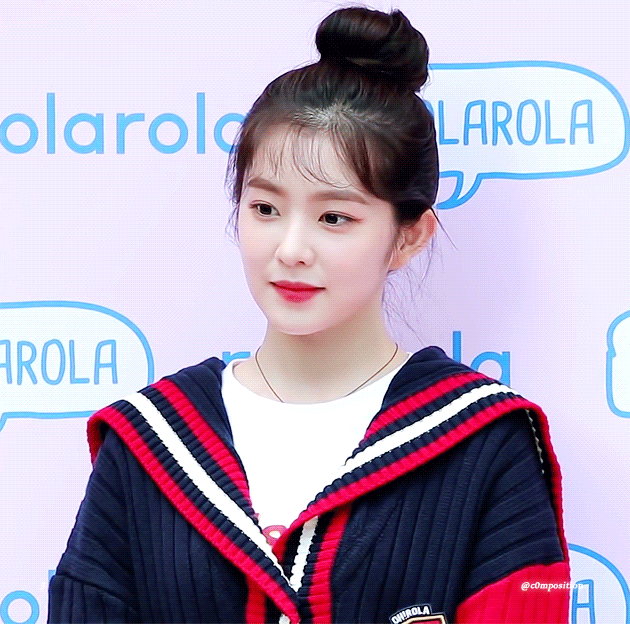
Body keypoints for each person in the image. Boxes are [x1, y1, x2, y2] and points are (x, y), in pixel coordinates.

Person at [48, 6, 570, 623]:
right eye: (265, 209)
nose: (291, 249)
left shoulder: (486, 442)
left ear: (408, 237)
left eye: (334, 217)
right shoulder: (149, 442)